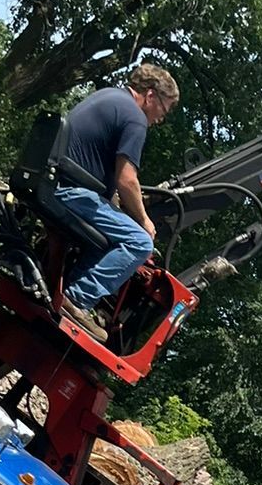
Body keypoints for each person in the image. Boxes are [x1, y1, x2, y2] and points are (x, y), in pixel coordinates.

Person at [56, 62, 180, 334]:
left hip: (58, 182)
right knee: (139, 242)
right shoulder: (134, 118)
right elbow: (126, 180)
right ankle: (77, 297)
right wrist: (145, 221)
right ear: (150, 95)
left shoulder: (109, 96)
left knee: (115, 232)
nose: (161, 118)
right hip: (73, 192)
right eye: (165, 108)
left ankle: (64, 287)